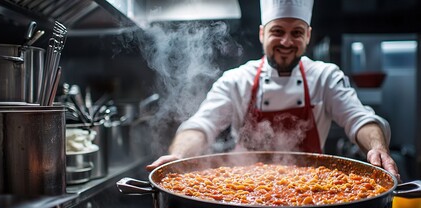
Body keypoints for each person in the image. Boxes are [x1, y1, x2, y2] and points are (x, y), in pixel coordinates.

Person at [146, 0, 400, 180]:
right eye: (277, 31)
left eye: (296, 33)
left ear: (308, 36)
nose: (287, 42)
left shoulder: (326, 77)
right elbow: (201, 126)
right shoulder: (236, 80)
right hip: (241, 190)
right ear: (262, 33)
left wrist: (377, 148)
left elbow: (360, 120)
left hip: (314, 191)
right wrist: (178, 154)